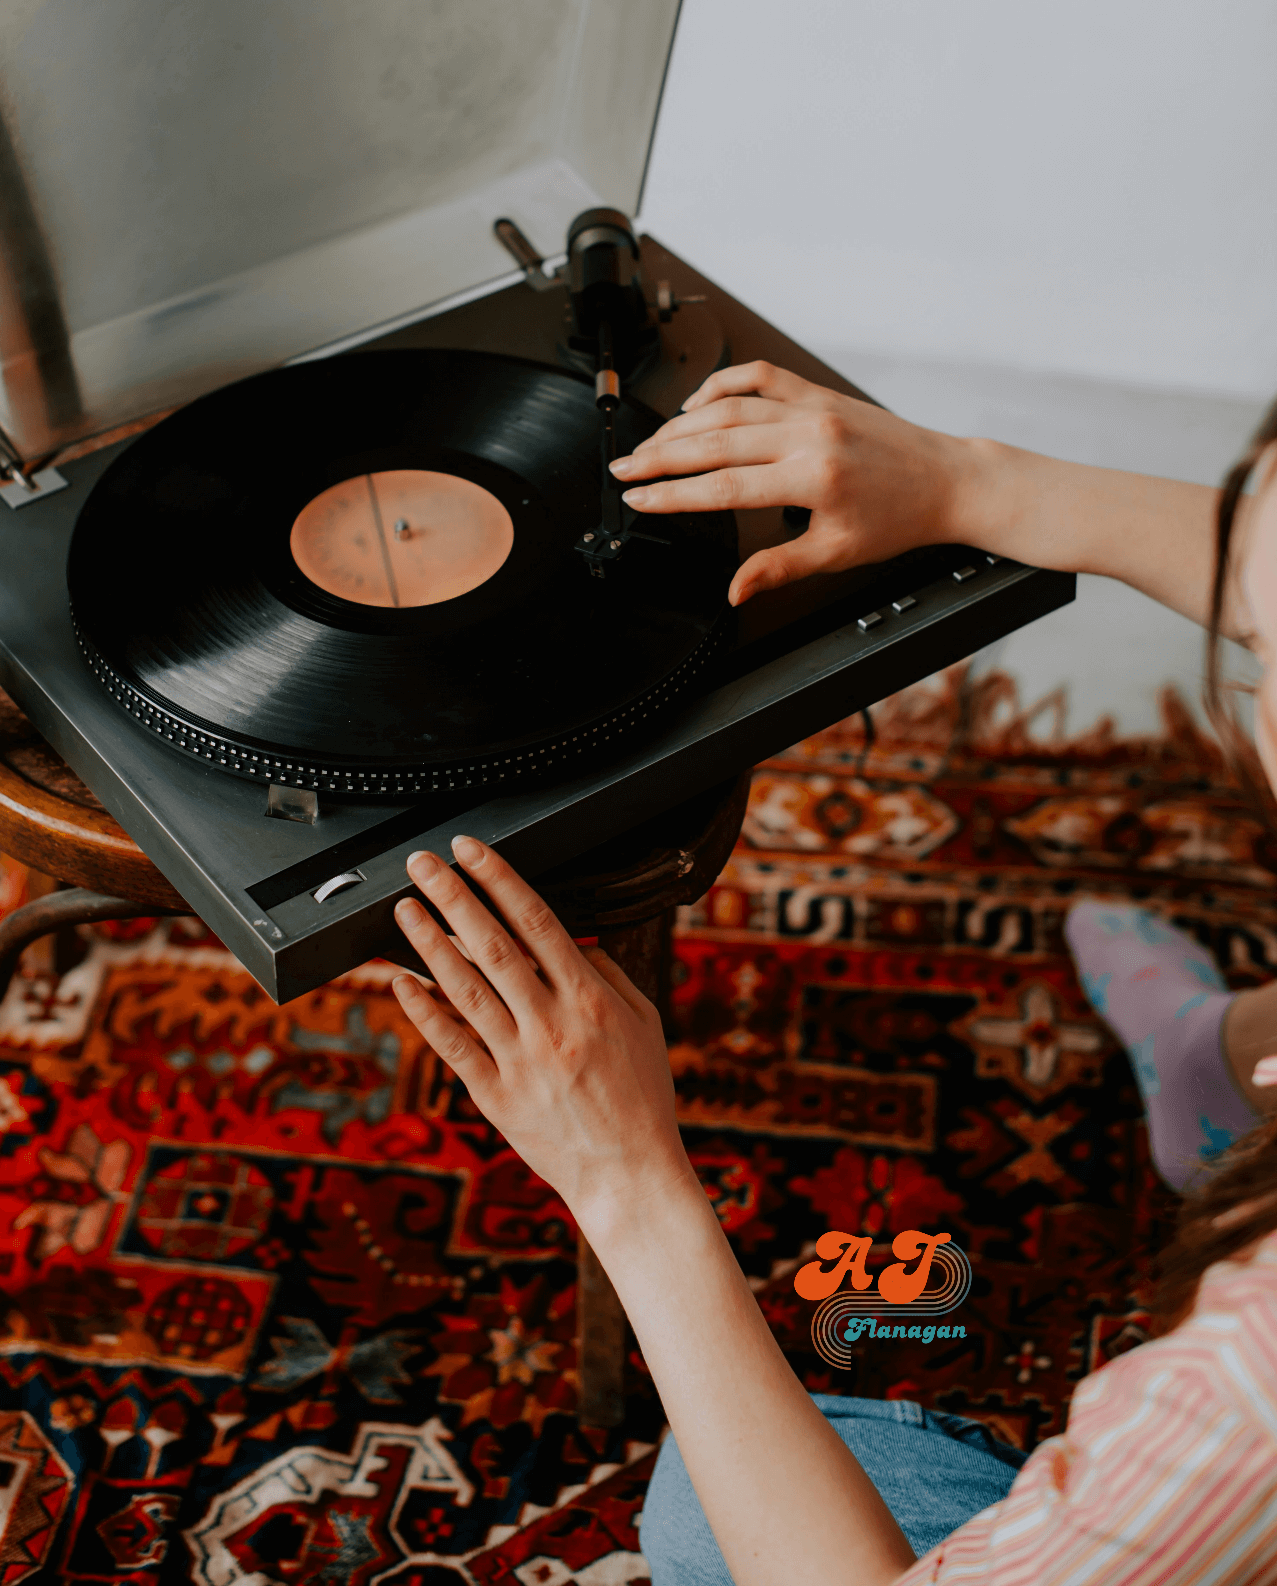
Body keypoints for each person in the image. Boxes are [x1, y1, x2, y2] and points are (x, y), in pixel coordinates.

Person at [387, 363, 1277, 1584]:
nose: (1249, 683)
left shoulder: (1245, 1392)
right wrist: (972, 479)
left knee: (711, 1503)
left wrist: (626, 1178)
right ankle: (1215, 1075)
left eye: (1265, 650)